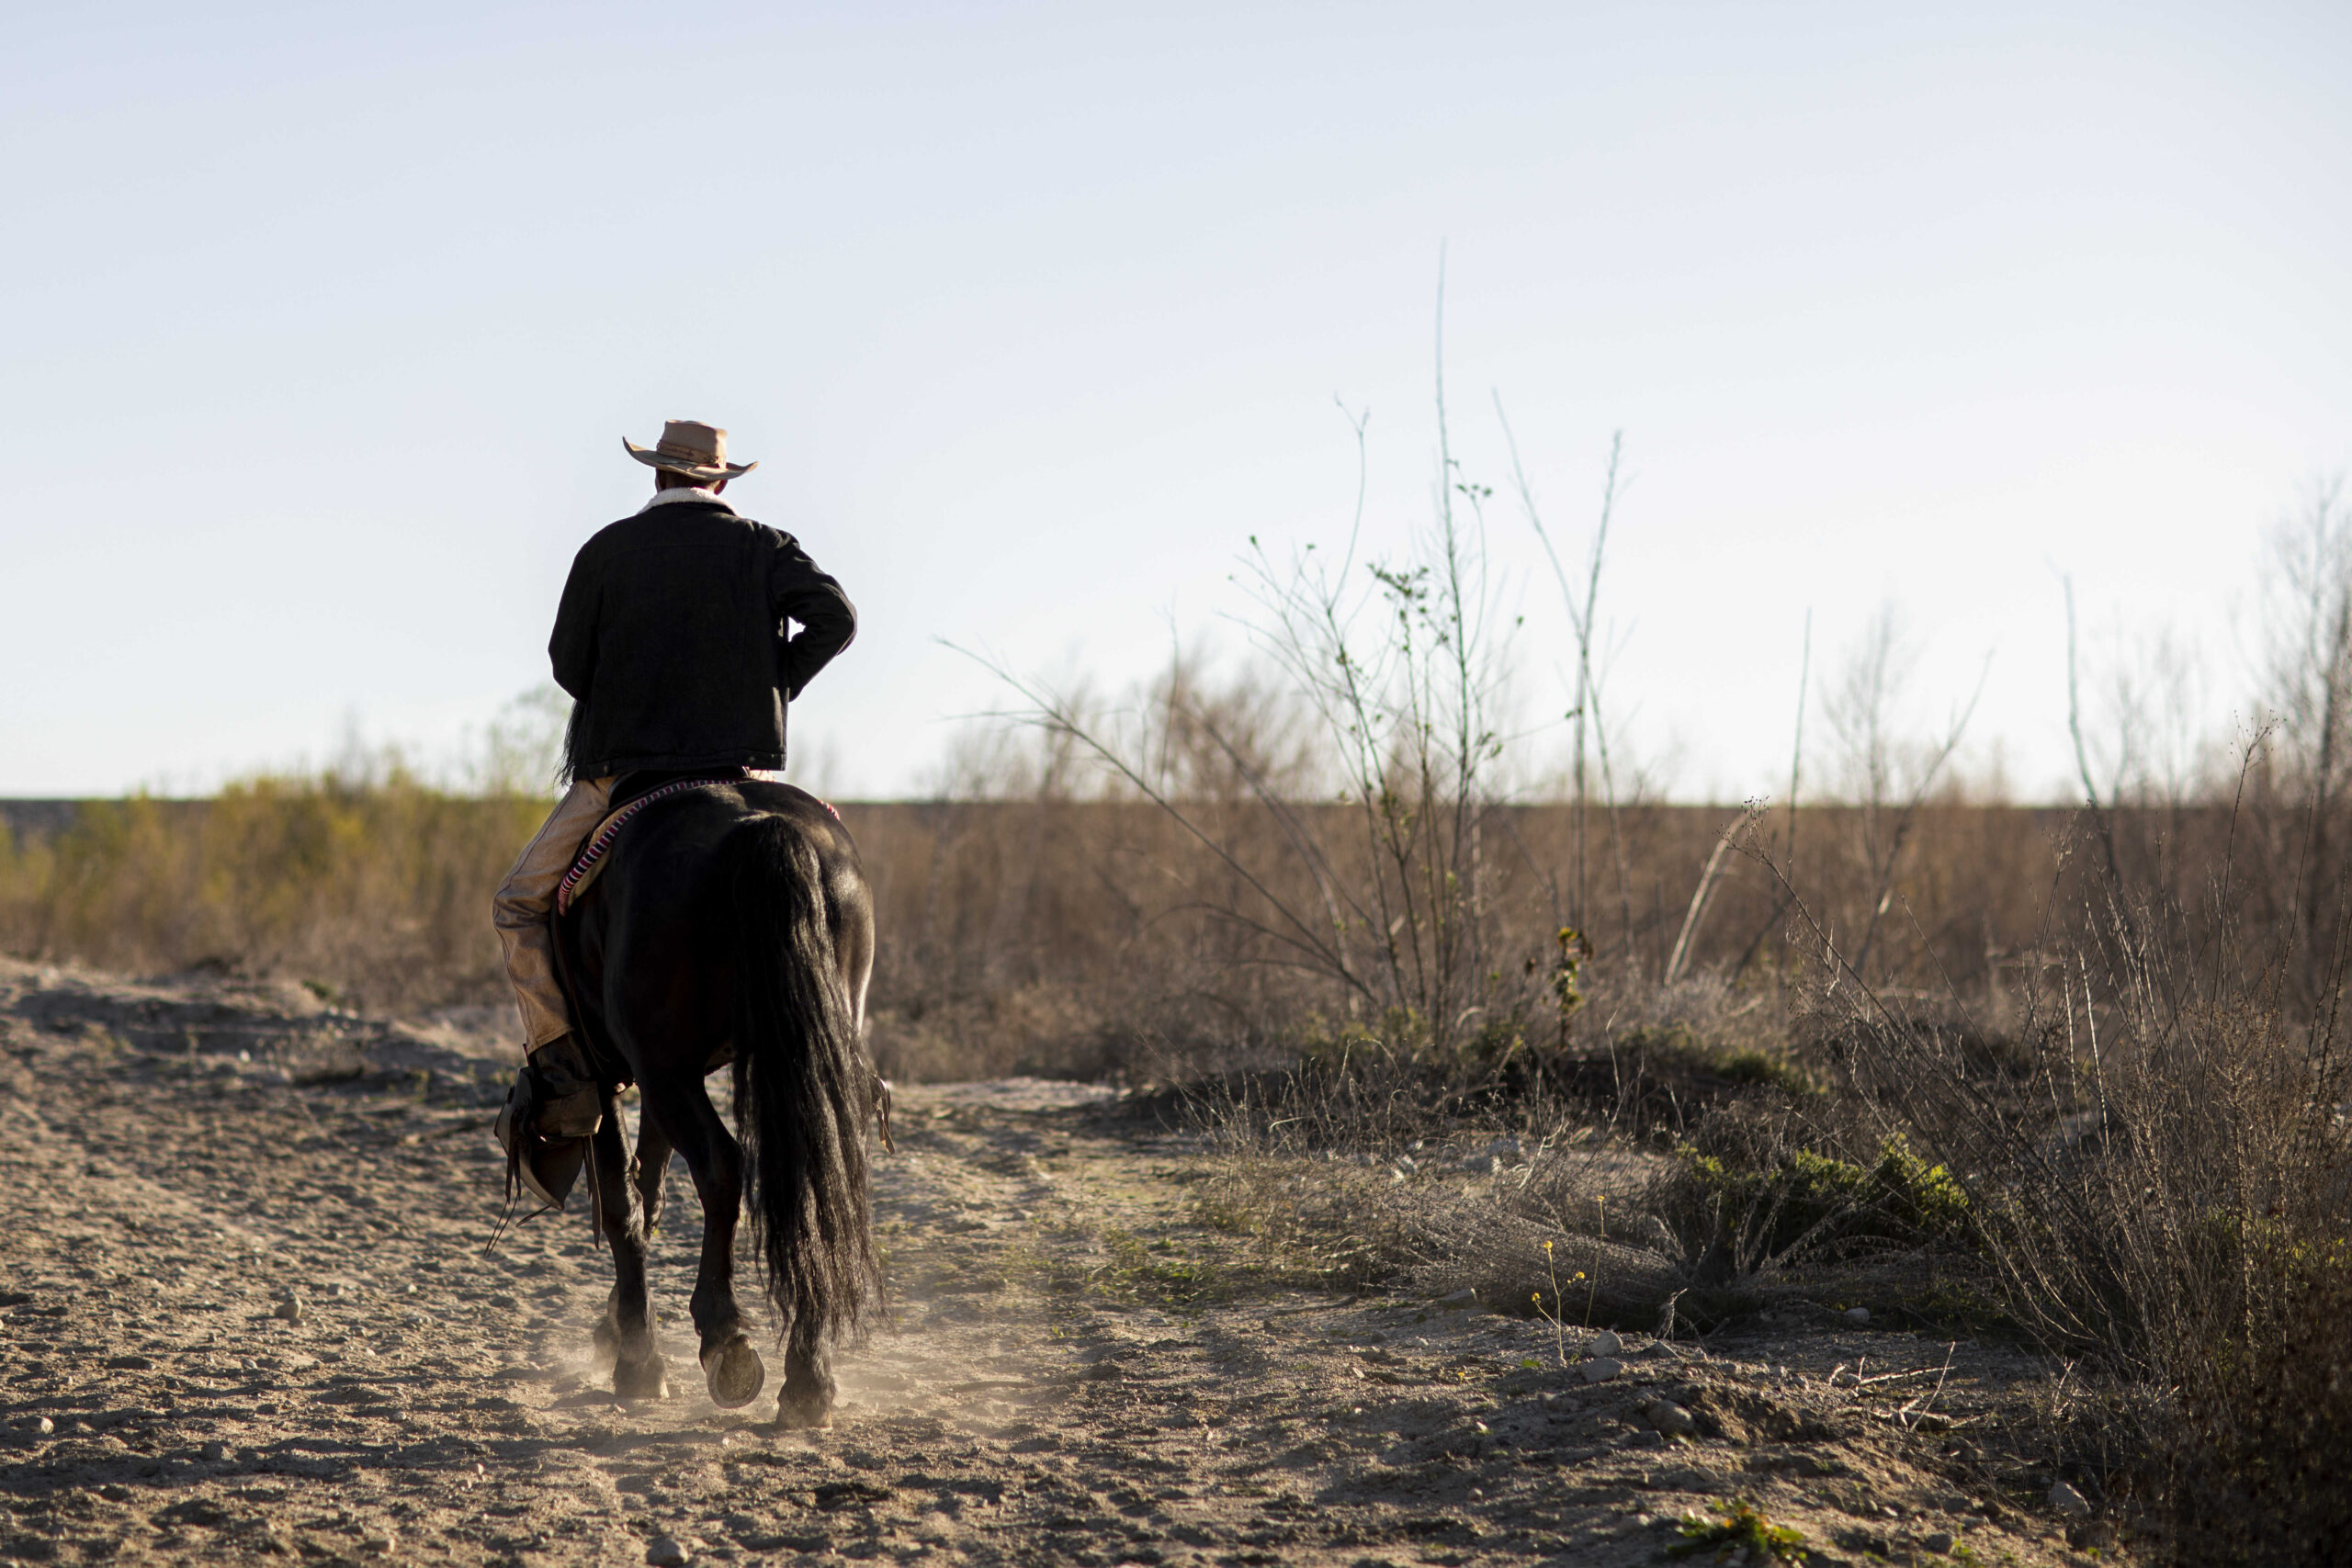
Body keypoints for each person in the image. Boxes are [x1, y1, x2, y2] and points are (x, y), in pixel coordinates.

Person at [492, 419, 856, 1207]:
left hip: (625, 777)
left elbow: (567, 666)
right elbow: (838, 619)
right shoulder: (766, 545)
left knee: (518, 904)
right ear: (722, 483)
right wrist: (771, 684)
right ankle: (853, 1060)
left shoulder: (607, 550)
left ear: (657, 477)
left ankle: (563, 1067)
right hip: (740, 768)